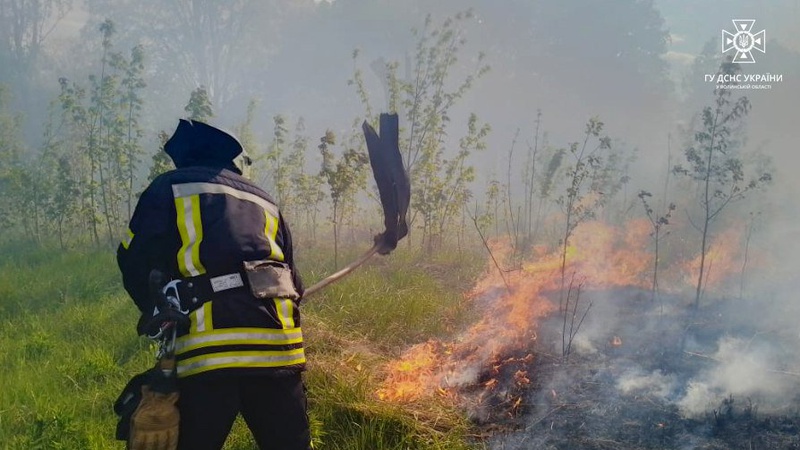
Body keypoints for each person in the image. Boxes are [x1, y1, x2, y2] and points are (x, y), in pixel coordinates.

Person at [117, 119, 311, 450]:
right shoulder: (266, 201)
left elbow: (133, 258)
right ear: (234, 161)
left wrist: (157, 308)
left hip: (208, 352)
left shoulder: (169, 186)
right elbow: (296, 284)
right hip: (279, 353)